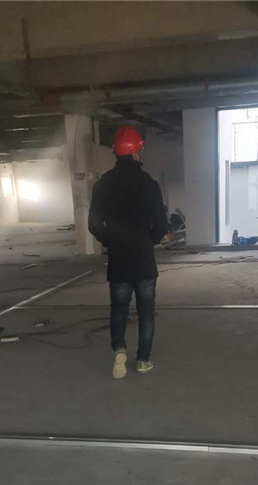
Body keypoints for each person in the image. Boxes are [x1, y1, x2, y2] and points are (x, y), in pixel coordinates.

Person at [88, 126, 169, 379]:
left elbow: (93, 224)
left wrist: (110, 241)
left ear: (116, 153)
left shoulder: (103, 184)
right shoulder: (149, 184)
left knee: (119, 309)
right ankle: (143, 360)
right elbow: (162, 225)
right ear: (136, 153)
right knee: (146, 312)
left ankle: (119, 349)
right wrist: (149, 241)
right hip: (144, 261)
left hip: (118, 261)